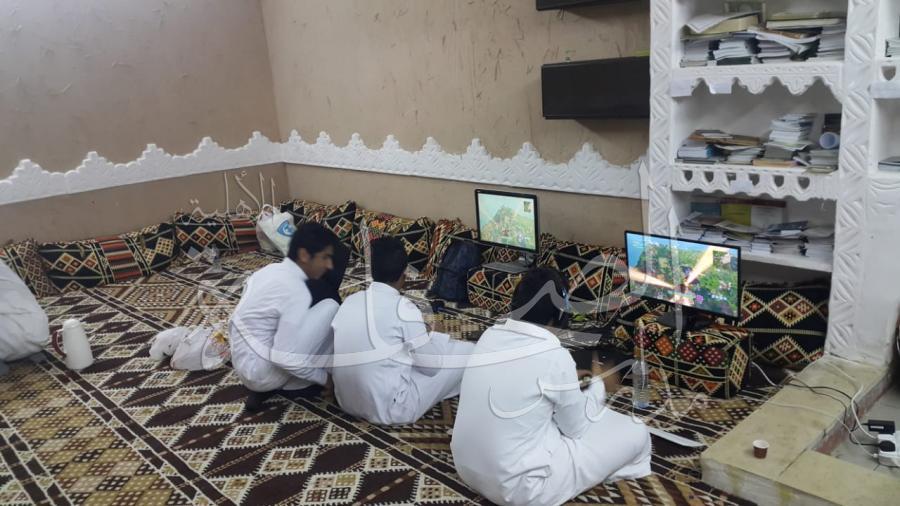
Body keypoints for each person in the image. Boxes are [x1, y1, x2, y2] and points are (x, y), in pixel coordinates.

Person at [451, 268, 651, 506]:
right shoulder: (554, 356)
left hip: (466, 470)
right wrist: (598, 386)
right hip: (521, 489)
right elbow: (576, 429)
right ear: (560, 313)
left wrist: (569, 385)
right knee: (637, 431)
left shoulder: (489, 336)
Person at [331, 237, 475, 425]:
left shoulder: (351, 300)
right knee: (467, 352)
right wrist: (437, 335)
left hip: (345, 401)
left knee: (409, 353)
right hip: (391, 409)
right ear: (404, 273)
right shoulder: (404, 308)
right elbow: (431, 368)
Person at [229, 222, 345, 411]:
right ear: (304, 255)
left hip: (242, 366)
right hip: (262, 375)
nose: (329, 265)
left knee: (305, 321)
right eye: (324, 257)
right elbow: (284, 357)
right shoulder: (296, 290)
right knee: (331, 307)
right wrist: (326, 379)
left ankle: (283, 383)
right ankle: (299, 385)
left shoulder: (265, 272)